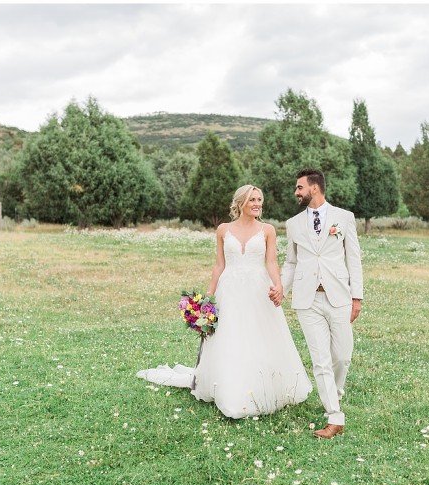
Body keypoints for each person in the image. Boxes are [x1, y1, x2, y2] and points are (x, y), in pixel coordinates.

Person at [137, 185, 313, 419]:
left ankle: (263, 385)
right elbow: (219, 264)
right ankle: (231, 388)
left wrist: (278, 286)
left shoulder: (268, 230)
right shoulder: (223, 230)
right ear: (240, 203)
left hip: (258, 289)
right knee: (230, 336)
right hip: (229, 289)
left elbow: (271, 262)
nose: (257, 203)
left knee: (258, 335)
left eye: (259, 199)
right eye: (252, 199)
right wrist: (206, 300)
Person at [270, 169, 363, 439]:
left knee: (342, 357)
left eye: (299, 187)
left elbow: (353, 259)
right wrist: (282, 289)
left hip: (339, 297)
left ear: (314, 188)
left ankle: (335, 394)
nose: (296, 193)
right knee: (320, 360)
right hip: (307, 299)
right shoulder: (293, 224)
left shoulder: (344, 218)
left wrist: (357, 296)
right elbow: (291, 261)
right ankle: (334, 416)